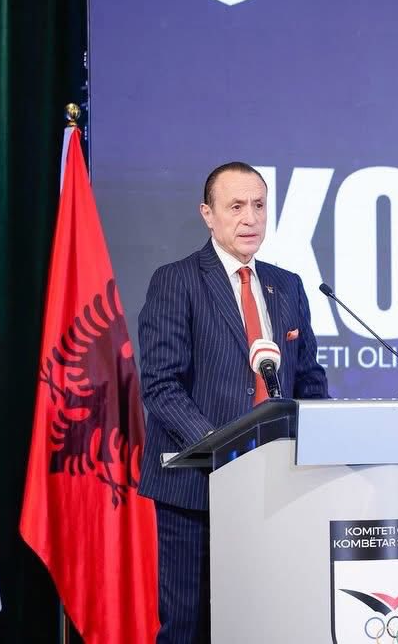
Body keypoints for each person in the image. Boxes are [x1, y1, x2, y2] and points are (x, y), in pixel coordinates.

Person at [137, 161, 328, 643]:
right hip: (195, 491)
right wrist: (222, 448)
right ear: (208, 214)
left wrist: (323, 440)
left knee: (263, 624)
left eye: (259, 206)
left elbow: (308, 378)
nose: (250, 218)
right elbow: (161, 385)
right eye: (236, 206)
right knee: (189, 628)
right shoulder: (177, 281)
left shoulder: (288, 285)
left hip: (277, 489)